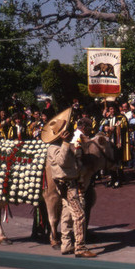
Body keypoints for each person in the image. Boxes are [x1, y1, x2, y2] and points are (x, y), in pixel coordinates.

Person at [45, 109, 96, 258]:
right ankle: (79, 247)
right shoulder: (54, 148)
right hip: (67, 185)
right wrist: (67, 144)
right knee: (79, 214)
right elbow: (62, 161)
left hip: (68, 183)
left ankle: (66, 244)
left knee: (67, 214)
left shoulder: (58, 146)